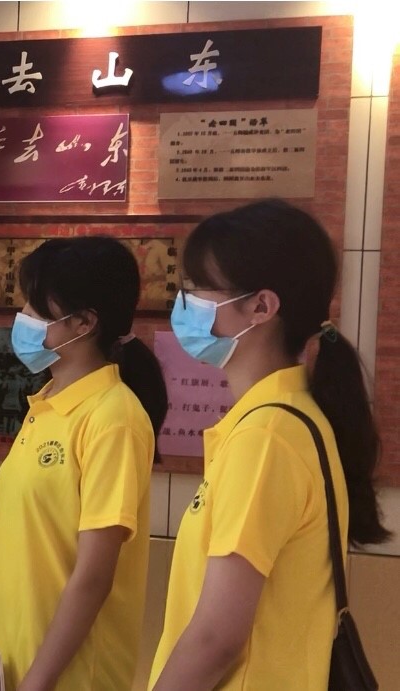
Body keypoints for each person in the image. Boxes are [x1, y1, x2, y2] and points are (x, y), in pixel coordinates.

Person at [149, 200, 391, 690]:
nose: (184, 304)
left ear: (262, 306)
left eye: (198, 289)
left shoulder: (266, 437)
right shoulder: (287, 417)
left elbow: (217, 638)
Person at [0, 236, 169, 691]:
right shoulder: (46, 404)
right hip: (13, 661)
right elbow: (25, 538)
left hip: (69, 677)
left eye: (36, 309)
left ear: (84, 323)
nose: (23, 318)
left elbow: (93, 577)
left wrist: (37, 683)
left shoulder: (114, 417)